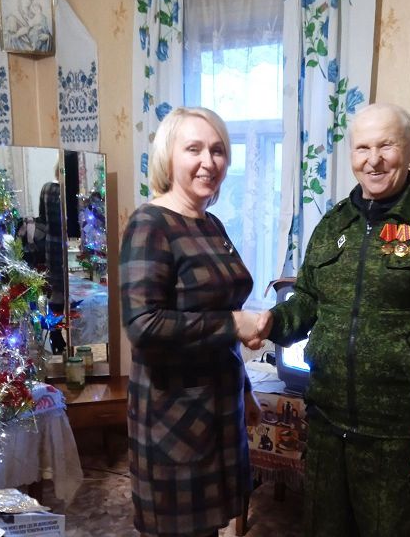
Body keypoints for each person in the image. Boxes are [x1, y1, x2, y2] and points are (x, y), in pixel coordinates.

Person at [252, 103, 410, 537]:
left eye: (386, 146)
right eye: (362, 148)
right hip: (326, 426)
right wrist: (270, 322)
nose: (373, 160)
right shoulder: (333, 223)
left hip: (396, 436)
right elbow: (308, 301)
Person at [119, 106, 263, 537]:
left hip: (220, 406)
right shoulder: (150, 224)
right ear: (169, 157)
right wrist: (233, 325)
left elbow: (220, 309)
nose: (208, 162)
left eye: (217, 151)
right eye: (194, 149)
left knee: (209, 529)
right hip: (174, 419)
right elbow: (143, 326)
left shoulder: (210, 223)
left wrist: (245, 390)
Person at [39, 165, 66, 355]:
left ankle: (56, 333)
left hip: (51, 242)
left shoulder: (46, 188)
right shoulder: (63, 191)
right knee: (61, 290)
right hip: (60, 243)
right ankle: (57, 334)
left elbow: (42, 216)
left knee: (55, 290)